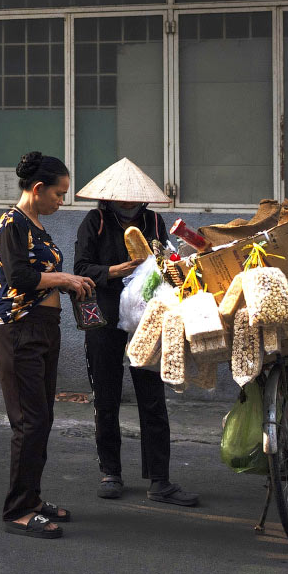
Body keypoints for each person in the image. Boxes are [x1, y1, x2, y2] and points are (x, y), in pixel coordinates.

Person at [73, 158, 199, 507]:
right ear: (110, 198)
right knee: (106, 395)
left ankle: (160, 480)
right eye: (121, 200)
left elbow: (166, 263)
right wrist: (116, 270)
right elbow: (80, 269)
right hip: (103, 313)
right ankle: (110, 471)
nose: (127, 205)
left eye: (133, 200)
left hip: (147, 315)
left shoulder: (154, 222)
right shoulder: (94, 221)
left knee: (152, 396)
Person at [0, 152, 96, 539]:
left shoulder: (37, 225)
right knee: (29, 421)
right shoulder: (12, 223)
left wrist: (72, 285)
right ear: (37, 189)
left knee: (42, 419)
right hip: (17, 329)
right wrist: (64, 279)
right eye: (59, 193)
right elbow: (19, 276)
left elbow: (43, 274)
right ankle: (17, 511)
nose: (61, 201)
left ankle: (32, 499)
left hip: (44, 329)